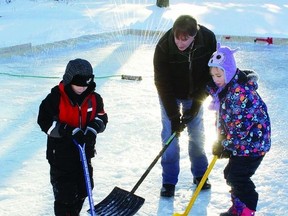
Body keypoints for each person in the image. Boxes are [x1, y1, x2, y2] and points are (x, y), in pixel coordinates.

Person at [153, 14, 217, 197]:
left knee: (197, 134)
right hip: (170, 94)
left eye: (185, 39)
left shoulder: (208, 39)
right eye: (177, 37)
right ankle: (169, 180)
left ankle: (200, 175)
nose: (180, 43)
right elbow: (161, 82)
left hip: (195, 93)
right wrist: (174, 116)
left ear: (194, 36)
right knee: (170, 135)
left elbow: (210, 74)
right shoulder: (164, 46)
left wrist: (196, 105)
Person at [206, 43, 271, 216]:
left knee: (237, 177)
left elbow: (240, 128)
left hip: (253, 144)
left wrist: (225, 144)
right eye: (213, 75)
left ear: (229, 71)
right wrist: (222, 141)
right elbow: (224, 119)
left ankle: (246, 210)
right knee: (230, 173)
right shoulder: (226, 88)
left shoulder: (240, 93)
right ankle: (238, 207)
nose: (216, 79)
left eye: (219, 75)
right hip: (242, 144)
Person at [37, 58, 108, 216]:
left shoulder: (94, 99)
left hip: (84, 154)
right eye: (79, 84)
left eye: (86, 84)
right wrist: (66, 130)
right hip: (61, 157)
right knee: (65, 196)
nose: (83, 88)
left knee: (85, 189)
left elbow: (102, 117)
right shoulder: (55, 98)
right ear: (69, 80)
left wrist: (92, 129)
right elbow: (44, 121)